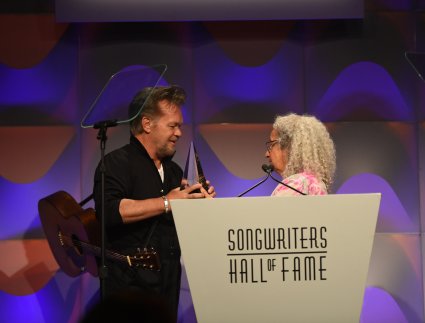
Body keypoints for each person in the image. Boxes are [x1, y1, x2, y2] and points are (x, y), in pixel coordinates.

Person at [92, 85, 215, 322]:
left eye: (180, 126)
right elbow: (110, 211)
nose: (179, 133)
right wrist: (168, 202)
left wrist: (200, 204)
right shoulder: (116, 163)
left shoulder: (174, 170)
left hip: (168, 286)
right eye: (173, 125)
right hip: (128, 290)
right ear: (147, 124)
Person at [265, 113, 336, 196]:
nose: (267, 154)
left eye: (271, 145)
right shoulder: (317, 185)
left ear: (290, 147)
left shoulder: (296, 185)